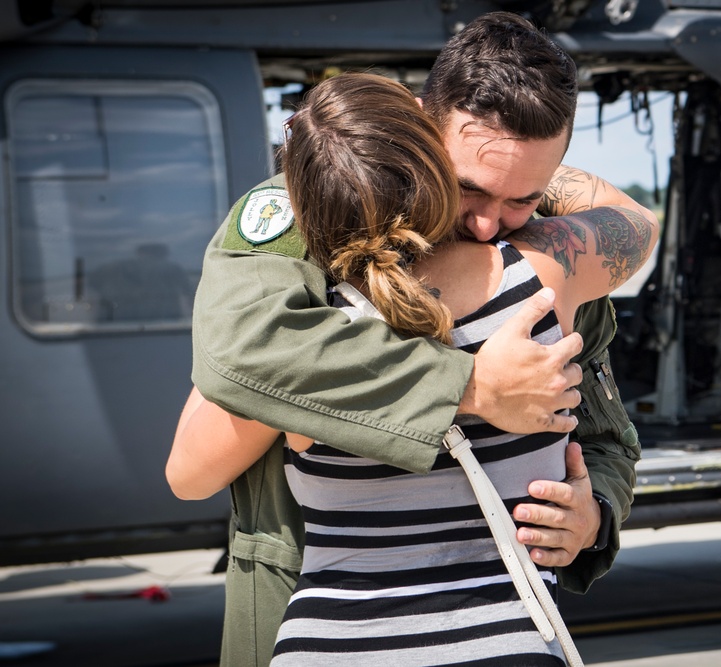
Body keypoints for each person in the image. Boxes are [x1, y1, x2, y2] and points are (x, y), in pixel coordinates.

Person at [190, 12, 644, 666]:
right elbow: (235, 371)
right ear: (421, 130)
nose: (489, 225)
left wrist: (592, 511)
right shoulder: (313, 214)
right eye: (469, 189)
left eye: (524, 197)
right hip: (297, 597)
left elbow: (605, 433)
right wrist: (472, 386)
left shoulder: (541, 262)